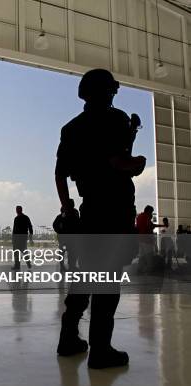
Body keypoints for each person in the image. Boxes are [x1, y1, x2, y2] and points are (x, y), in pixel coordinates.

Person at [55, 68, 146, 368]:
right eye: (112, 89)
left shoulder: (71, 128)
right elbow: (118, 162)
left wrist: (68, 207)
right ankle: (101, 350)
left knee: (85, 273)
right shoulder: (115, 119)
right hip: (115, 211)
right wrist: (137, 164)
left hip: (89, 210)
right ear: (106, 91)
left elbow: (59, 173)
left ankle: (69, 337)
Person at [53, 199, 81, 272]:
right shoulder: (64, 214)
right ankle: (65, 266)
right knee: (66, 252)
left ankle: (68, 266)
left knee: (68, 252)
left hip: (68, 238)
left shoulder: (74, 213)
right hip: (66, 238)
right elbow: (55, 225)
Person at [12, 205, 33, 270]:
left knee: (17, 252)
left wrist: (13, 238)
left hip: (17, 238)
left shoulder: (17, 218)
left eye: (17, 210)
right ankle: (28, 263)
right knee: (24, 251)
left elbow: (14, 230)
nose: (17, 211)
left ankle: (17, 266)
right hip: (23, 238)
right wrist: (30, 238)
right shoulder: (26, 218)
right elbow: (30, 228)